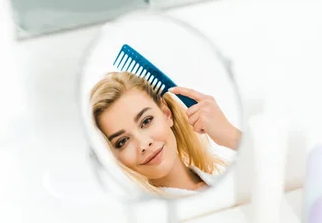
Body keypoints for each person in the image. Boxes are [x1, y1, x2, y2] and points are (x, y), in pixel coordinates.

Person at [90, 71, 241, 197]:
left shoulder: (232, 183)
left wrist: (231, 136)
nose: (143, 144)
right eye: (122, 141)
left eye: (146, 121)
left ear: (166, 114)